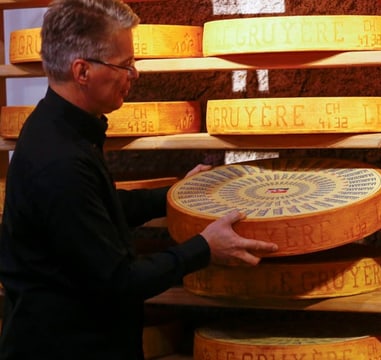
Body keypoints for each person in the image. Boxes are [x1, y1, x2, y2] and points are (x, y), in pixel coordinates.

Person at [0, 0, 279, 358]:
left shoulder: (58, 131)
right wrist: (205, 247)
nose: (134, 75)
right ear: (82, 71)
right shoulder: (59, 162)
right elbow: (119, 281)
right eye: (125, 65)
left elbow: (98, 212)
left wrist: (176, 195)